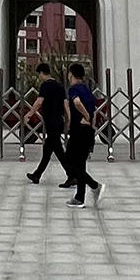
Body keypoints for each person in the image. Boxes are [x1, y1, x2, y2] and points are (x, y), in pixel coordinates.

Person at [62, 62, 103, 208]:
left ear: (71, 75)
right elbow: (94, 108)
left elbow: (77, 102)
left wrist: (85, 115)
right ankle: (79, 197)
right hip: (88, 131)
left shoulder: (74, 89)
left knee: (70, 161)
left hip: (78, 130)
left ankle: (94, 185)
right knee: (80, 164)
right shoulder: (87, 89)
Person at [25, 62, 66, 184]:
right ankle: (37, 175)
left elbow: (39, 102)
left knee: (58, 151)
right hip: (59, 120)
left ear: (42, 73)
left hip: (51, 121)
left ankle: (72, 174)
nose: (39, 77)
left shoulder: (46, 86)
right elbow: (66, 104)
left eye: (39, 74)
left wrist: (30, 114)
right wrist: (68, 120)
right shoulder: (59, 86)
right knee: (49, 151)